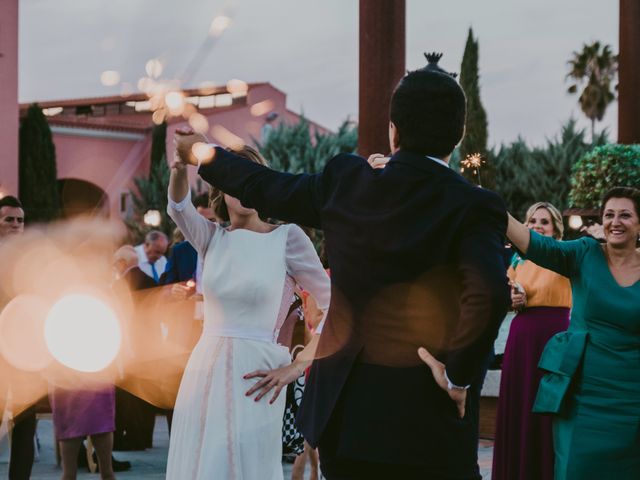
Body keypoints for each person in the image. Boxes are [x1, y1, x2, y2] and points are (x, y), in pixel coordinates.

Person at [175, 52, 510, 479]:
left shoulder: (346, 182)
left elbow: (266, 186)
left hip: (347, 419)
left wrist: (201, 153)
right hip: (428, 421)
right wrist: (459, 376)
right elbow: (490, 294)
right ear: (459, 132)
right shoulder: (473, 204)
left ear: (393, 131)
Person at [165, 145, 330, 479]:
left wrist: (299, 366)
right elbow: (178, 206)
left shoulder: (288, 238)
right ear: (221, 191)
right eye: (233, 180)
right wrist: (180, 165)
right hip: (204, 372)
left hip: (258, 379)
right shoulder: (210, 238)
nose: (242, 190)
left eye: (249, 180)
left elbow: (336, 305)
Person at [505, 186, 640, 480]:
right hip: (583, 393)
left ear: (639, 223)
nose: (615, 221)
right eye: (609, 214)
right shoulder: (584, 253)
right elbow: (537, 245)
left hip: (632, 397)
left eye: (625, 215)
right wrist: (489, 206)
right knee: (575, 469)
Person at [492, 202, 571, 480]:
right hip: (522, 336)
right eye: (532, 221)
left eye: (544, 222)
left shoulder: (565, 257)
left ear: (555, 229)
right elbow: (505, 294)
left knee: (549, 405)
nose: (537, 226)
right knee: (521, 404)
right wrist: (512, 299)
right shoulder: (517, 262)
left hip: (554, 339)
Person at [0, 195, 38, 480]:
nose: (16, 225)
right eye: (9, 220)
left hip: (27, 351)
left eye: (20, 220)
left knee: (26, 421)